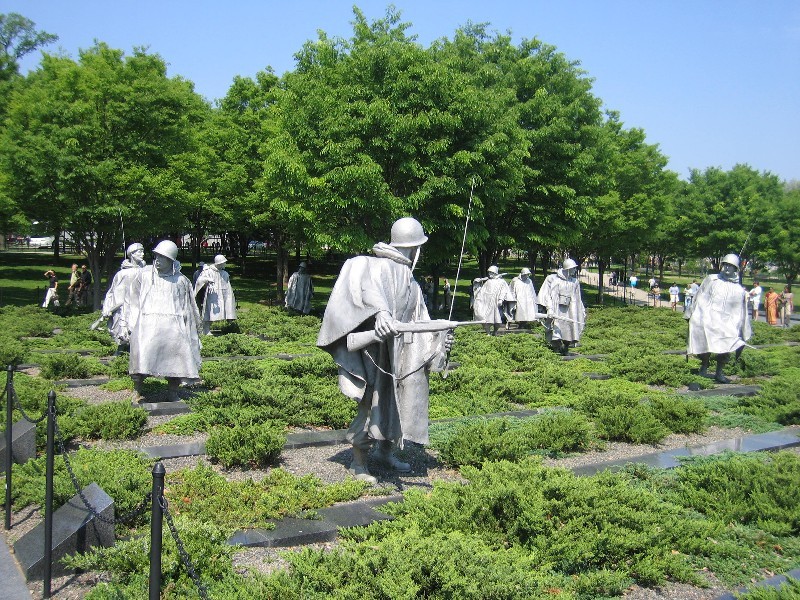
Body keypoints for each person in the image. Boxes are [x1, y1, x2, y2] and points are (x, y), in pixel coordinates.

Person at [316, 217, 453, 484]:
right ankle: (358, 463)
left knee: (397, 403)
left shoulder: (412, 282)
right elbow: (368, 289)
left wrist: (440, 341)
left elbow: (420, 321)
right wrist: (381, 315)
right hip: (375, 353)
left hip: (401, 354)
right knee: (370, 405)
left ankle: (384, 453)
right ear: (415, 247)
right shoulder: (372, 264)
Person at [126, 240, 202, 401]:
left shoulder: (181, 281)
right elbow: (132, 299)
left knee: (176, 359)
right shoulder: (144, 275)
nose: (158, 261)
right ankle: (138, 390)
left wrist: (189, 328)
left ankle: (172, 391)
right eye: (156, 256)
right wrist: (132, 322)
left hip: (173, 328)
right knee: (141, 357)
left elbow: (188, 307)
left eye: (163, 258)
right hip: (147, 325)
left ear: (171, 260)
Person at [685, 253, 751, 384]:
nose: (727, 268)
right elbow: (700, 296)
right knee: (703, 337)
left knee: (727, 343)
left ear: (736, 269)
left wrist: (739, 326)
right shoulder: (712, 279)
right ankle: (704, 365)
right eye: (725, 265)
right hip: (709, 319)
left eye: (730, 266)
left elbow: (740, 311)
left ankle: (719, 372)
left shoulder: (738, 290)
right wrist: (691, 313)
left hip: (727, 324)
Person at [99, 243, 145, 353]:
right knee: (122, 331)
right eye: (140, 251)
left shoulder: (145, 272)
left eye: (143, 251)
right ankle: (121, 350)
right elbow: (113, 292)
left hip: (140, 306)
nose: (143, 254)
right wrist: (108, 308)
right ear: (132, 254)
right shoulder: (122, 274)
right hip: (123, 308)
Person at [538, 258, 586, 355]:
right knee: (556, 329)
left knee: (570, 329)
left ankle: (566, 348)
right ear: (568, 269)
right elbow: (547, 295)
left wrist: (581, 309)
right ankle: (556, 348)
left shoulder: (574, 282)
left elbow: (578, 298)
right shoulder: (553, 279)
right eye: (573, 268)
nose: (575, 270)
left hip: (570, 310)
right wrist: (550, 309)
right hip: (557, 309)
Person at [194, 254, 237, 335]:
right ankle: (206, 329)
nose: (225, 264)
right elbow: (199, 280)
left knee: (224, 311)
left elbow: (227, 285)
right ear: (219, 263)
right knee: (209, 312)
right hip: (212, 295)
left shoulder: (225, 273)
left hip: (223, 294)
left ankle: (228, 327)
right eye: (223, 263)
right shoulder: (208, 271)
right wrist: (206, 280)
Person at [473, 265, 513, 335]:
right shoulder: (488, 281)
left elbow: (503, 291)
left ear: (495, 273)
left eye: (491, 273)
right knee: (485, 319)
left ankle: (495, 331)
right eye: (489, 273)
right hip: (486, 302)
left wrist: (500, 299)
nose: (490, 274)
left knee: (497, 319)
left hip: (496, 303)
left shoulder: (501, 282)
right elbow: (482, 292)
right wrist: (477, 283)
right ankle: (488, 332)